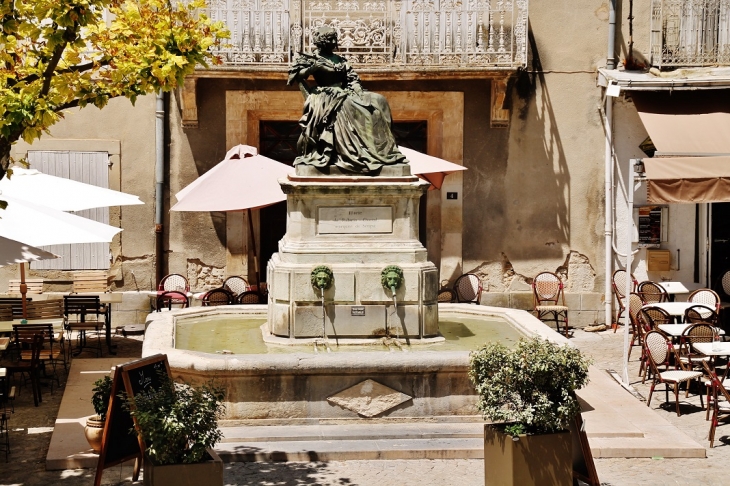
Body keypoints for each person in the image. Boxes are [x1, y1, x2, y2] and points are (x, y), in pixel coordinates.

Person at [287, 26, 407, 174]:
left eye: (334, 38)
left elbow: (352, 78)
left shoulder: (340, 59)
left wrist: (358, 91)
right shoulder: (310, 58)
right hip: (327, 94)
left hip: (346, 91)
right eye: (330, 39)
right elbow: (296, 77)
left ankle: (385, 150)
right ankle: (360, 152)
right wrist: (312, 69)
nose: (334, 41)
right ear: (321, 41)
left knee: (379, 100)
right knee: (353, 107)